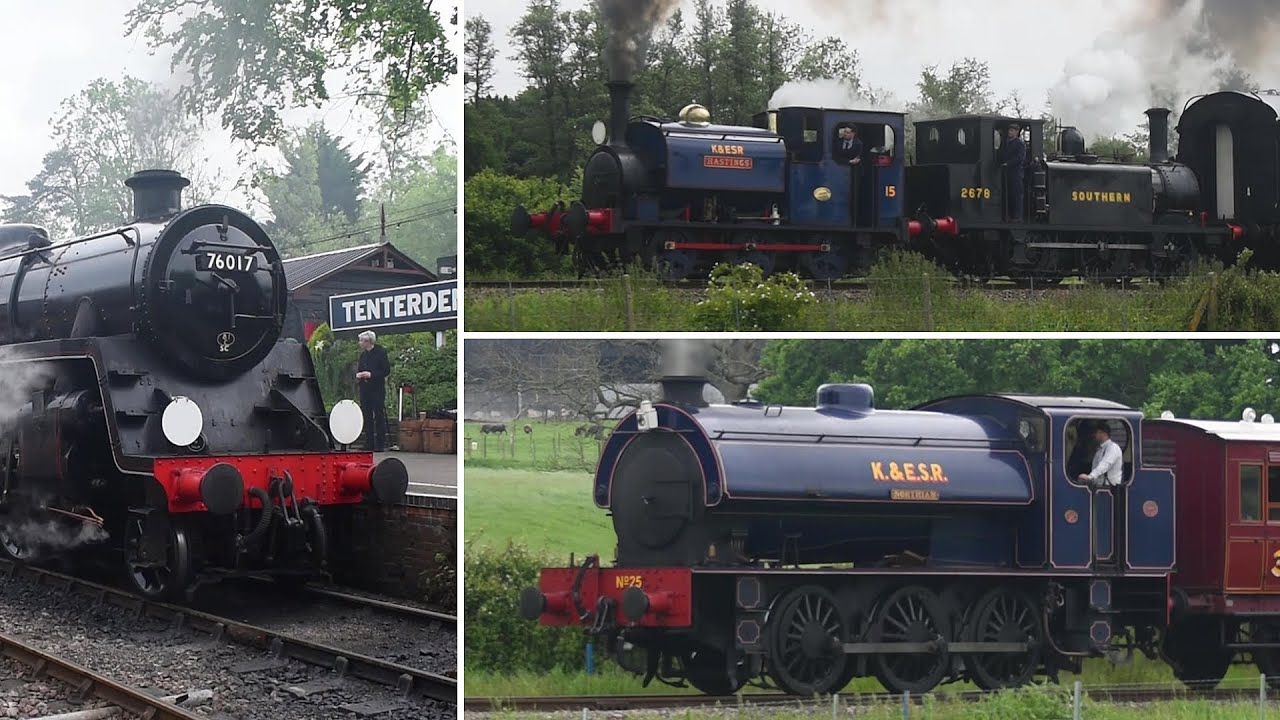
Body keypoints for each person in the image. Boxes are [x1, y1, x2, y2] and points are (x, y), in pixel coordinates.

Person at [355, 330, 391, 452]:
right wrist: (359, 375)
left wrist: (371, 374)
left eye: (361, 341)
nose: (360, 343)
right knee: (367, 415)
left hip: (377, 388)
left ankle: (380, 443)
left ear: (367, 341)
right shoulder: (363, 355)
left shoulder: (380, 352)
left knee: (378, 415)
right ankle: (369, 442)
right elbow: (360, 368)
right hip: (365, 389)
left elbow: (386, 370)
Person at [1077, 423, 1122, 487]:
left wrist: (1090, 477)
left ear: (1103, 433)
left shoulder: (1113, 448)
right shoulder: (1100, 449)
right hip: (1099, 486)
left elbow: (1105, 464)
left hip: (1109, 487)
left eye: (1096, 433)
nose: (1094, 435)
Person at [1000, 124, 1026, 221]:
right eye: (1009, 130)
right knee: (1009, 194)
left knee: (1016, 194)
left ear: (1016, 132)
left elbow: (1020, 158)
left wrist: (1008, 163)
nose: (1009, 132)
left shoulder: (1019, 144)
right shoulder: (1006, 143)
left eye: (1012, 130)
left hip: (1016, 172)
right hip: (1007, 172)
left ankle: (1017, 216)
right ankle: (1009, 214)